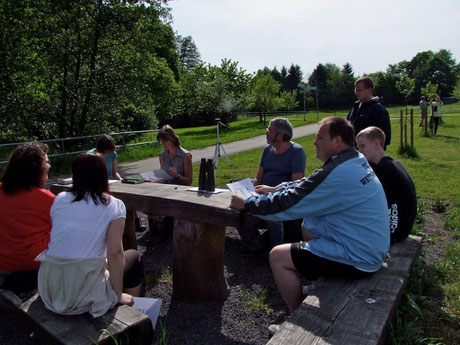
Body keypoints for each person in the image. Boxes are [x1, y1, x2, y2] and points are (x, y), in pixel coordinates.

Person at [231, 117, 389, 333]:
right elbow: (308, 183)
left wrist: (247, 203)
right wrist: (276, 189)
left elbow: (290, 204)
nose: (315, 143)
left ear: (337, 141)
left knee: (277, 256)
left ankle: (296, 319)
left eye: (320, 138)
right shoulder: (353, 159)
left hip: (360, 258)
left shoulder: (339, 171)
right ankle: (319, 282)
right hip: (372, 247)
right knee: (308, 225)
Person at [37, 153, 143, 317]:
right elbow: (115, 253)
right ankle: (127, 314)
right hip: (83, 288)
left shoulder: (59, 199)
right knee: (134, 256)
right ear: (103, 175)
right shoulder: (113, 205)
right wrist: (116, 295)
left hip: (51, 285)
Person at [237, 118, 306, 254]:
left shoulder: (297, 152)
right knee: (238, 207)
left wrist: (271, 191)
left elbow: (295, 185)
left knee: (272, 215)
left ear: (280, 135)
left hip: (281, 197)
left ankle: (275, 251)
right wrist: (245, 190)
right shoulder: (267, 150)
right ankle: (256, 243)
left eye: (270, 130)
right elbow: (258, 178)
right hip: (262, 194)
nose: (266, 132)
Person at [0, 142, 55, 294]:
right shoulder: (47, 199)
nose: (49, 166)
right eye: (46, 162)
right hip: (30, 266)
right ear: (34, 168)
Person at [356, 126, 417, 243]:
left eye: (363, 146)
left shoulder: (385, 170)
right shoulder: (392, 163)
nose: (360, 151)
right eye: (358, 147)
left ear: (376, 144)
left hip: (395, 231)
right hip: (403, 228)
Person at [148, 125, 192, 245]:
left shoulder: (185, 155)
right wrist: (153, 179)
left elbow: (189, 180)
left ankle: (162, 231)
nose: (164, 144)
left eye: (166, 140)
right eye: (161, 141)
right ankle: (156, 230)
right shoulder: (162, 156)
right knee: (151, 200)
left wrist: (177, 176)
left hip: (181, 190)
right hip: (166, 188)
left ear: (173, 138)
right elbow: (162, 175)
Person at [347, 76, 391, 149]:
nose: (356, 93)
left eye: (359, 90)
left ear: (369, 90)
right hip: (353, 153)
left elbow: (385, 138)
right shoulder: (355, 108)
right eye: (355, 90)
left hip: (369, 156)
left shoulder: (378, 110)